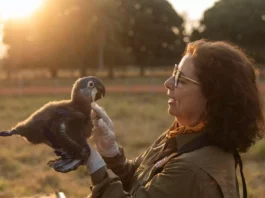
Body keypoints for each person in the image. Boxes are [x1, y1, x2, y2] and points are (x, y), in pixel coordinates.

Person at [53, 39, 265, 198]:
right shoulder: (183, 135)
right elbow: (137, 182)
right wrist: (110, 150)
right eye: (175, 71)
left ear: (212, 96)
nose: (168, 82)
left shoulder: (190, 170)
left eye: (181, 79)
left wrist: (92, 158)